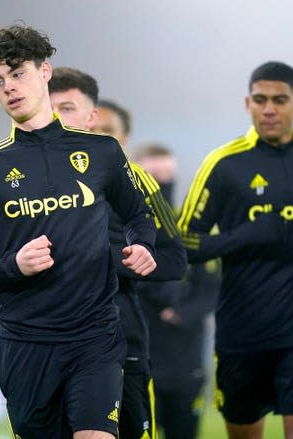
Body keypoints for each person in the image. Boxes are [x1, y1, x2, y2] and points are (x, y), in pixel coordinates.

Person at [0, 25, 157, 439]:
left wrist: (142, 246)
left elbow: (139, 215)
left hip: (96, 337)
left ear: (45, 71)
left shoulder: (101, 152)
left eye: (17, 73)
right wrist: (14, 266)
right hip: (26, 346)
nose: (9, 88)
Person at [176, 61, 293, 439]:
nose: (268, 109)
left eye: (279, 100)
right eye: (260, 100)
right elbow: (183, 244)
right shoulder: (222, 164)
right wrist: (246, 235)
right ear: (247, 103)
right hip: (244, 327)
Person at [49, 68, 188, 439]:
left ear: (124, 139)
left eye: (108, 131)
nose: (97, 137)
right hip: (51, 340)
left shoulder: (139, 184)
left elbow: (175, 259)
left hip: (123, 336)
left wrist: (123, 262)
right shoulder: (38, 183)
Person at [133, 143, 219, 439]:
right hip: (135, 352)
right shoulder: (121, 225)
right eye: (154, 175)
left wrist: (181, 313)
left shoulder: (192, 226)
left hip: (185, 357)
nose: (162, 183)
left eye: (168, 175)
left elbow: (212, 288)